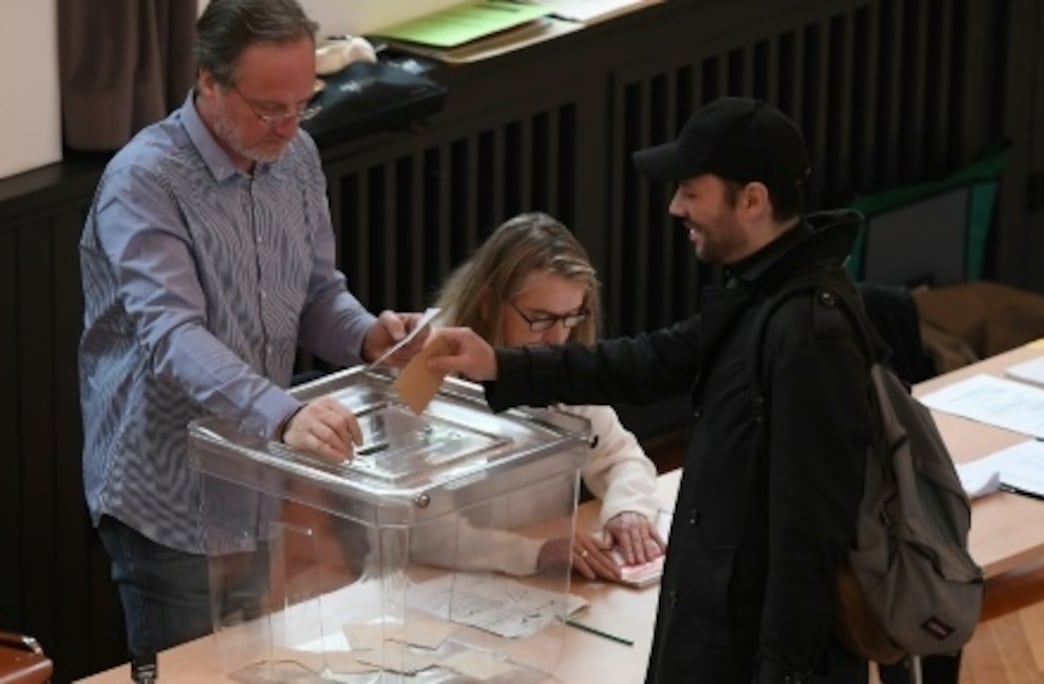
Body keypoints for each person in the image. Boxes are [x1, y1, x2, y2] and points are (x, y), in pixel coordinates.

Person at [428, 97, 874, 683]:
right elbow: (646, 362)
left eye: (692, 190)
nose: (675, 206)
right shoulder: (757, 296)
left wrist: (782, 672)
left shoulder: (806, 330)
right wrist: (502, 367)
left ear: (752, 199)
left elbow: (806, 536)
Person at [78, 0, 427, 660]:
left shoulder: (296, 159)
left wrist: (368, 336)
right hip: (167, 489)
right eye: (270, 108)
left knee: (261, 666)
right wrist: (284, 415)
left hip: (260, 475)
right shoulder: (143, 181)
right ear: (209, 80)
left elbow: (317, 293)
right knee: (189, 674)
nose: (289, 127)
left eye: (304, 103)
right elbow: (174, 335)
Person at [431, 211, 666, 580]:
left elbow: (620, 457)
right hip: (442, 580)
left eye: (571, 318)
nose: (558, 339)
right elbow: (427, 533)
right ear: (488, 303)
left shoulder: (559, 368)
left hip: (527, 576)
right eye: (540, 319)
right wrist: (534, 553)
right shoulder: (427, 370)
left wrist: (628, 509)